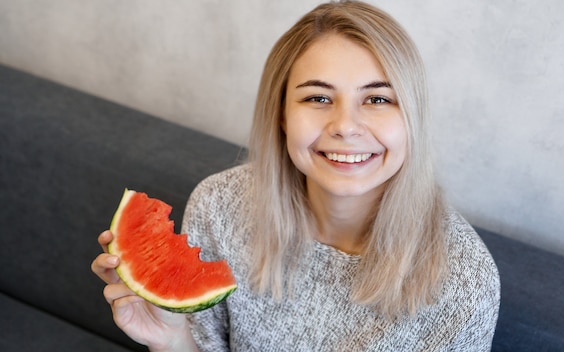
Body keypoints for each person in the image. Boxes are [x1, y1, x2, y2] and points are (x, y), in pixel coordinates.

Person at [92, 1, 500, 351]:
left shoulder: (464, 281)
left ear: (412, 119)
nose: (345, 125)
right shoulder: (219, 206)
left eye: (378, 98)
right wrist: (171, 341)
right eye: (318, 98)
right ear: (282, 116)